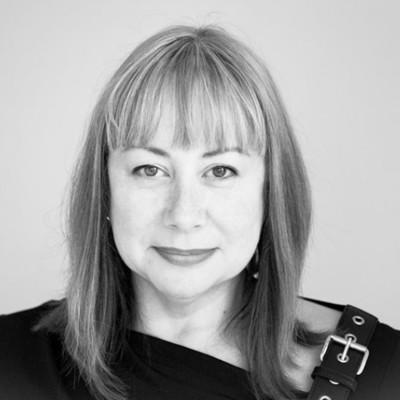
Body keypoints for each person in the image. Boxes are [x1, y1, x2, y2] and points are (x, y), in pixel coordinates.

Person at [0, 24, 399, 400]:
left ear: (272, 193)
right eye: (150, 170)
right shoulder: (9, 364)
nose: (183, 215)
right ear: (103, 190)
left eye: (220, 171)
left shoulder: (385, 373)